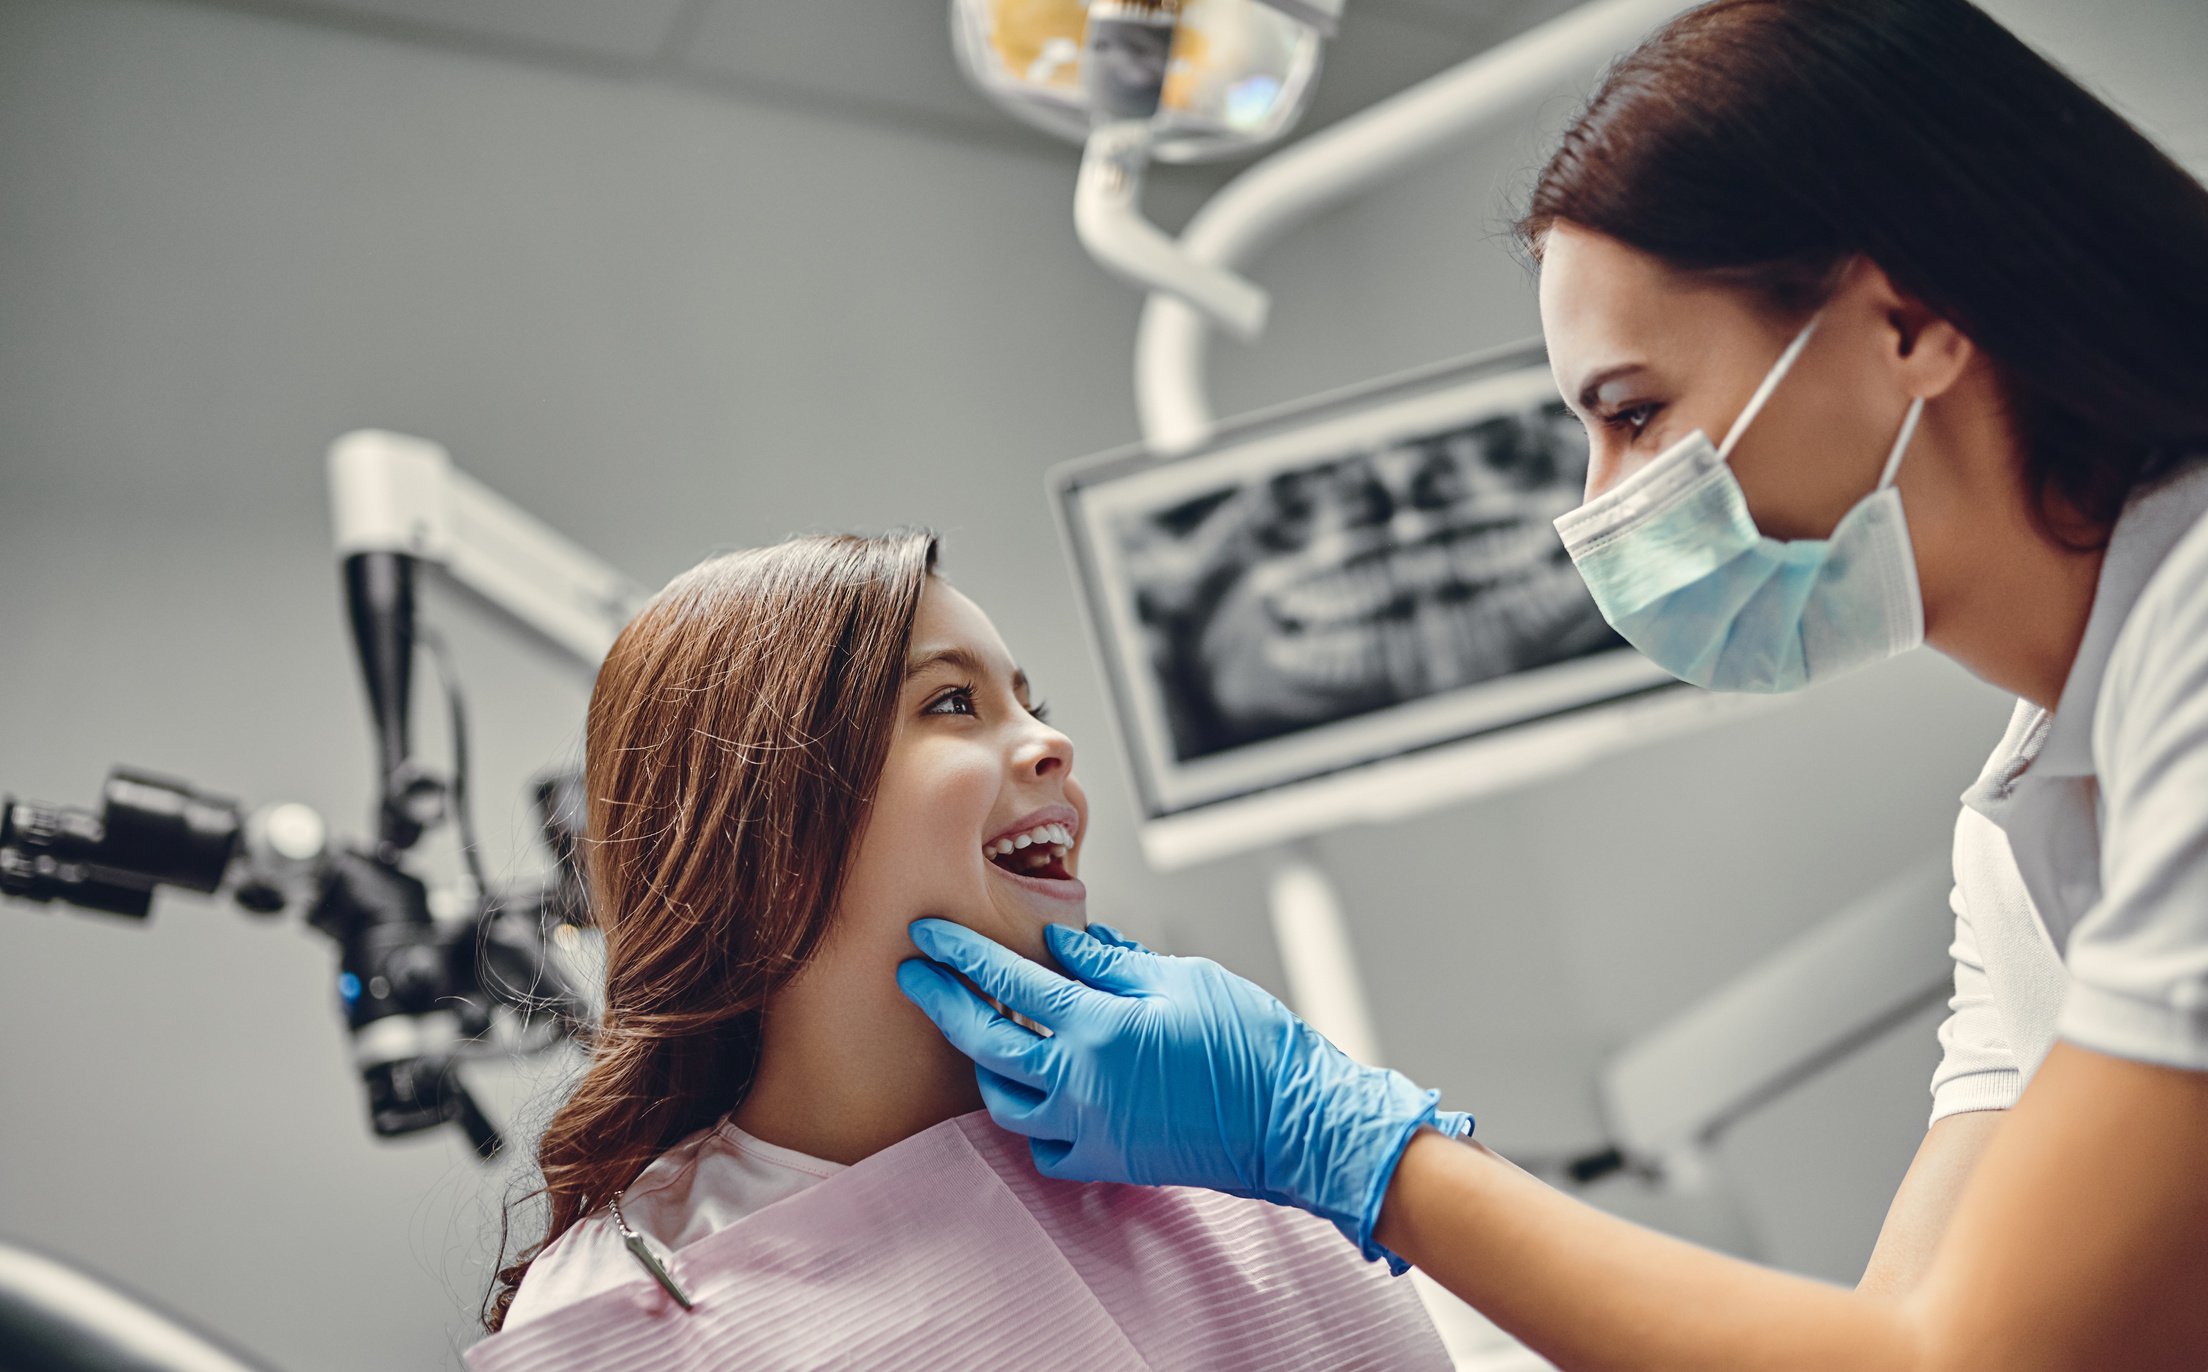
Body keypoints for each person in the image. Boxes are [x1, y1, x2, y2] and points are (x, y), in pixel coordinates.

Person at [897, 1, 2208, 1367]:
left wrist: (1334, 1137)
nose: (1596, 511)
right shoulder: (2021, 820)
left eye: (1633, 411)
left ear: (1910, 322)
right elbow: (1890, 1341)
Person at [469, 532, 1451, 1369]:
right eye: (952, 704)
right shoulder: (628, 1306)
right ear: (764, 828)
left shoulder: (1211, 1138)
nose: (1051, 743)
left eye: (1033, 703)